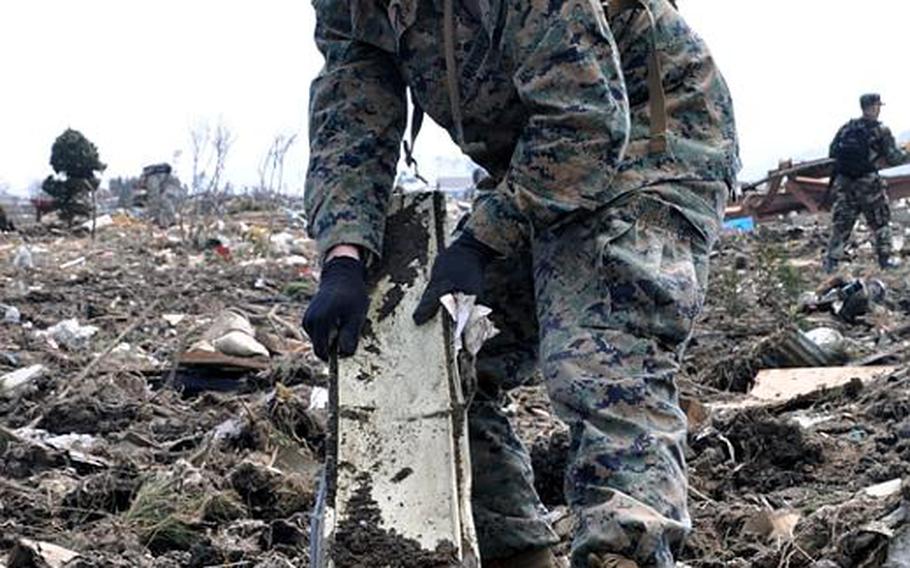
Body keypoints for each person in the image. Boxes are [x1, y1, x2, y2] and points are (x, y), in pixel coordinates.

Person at [302, 0, 739, 566]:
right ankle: (516, 553)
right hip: (535, 161)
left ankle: (625, 553)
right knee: (443, 357)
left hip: (652, 146)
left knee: (601, 361)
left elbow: (585, 120)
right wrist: (343, 257)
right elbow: (352, 112)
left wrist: (482, 241)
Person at [824, 93, 910, 273]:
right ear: (874, 107)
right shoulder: (880, 130)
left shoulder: (846, 128)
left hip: (845, 184)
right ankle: (885, 261)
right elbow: (894, 158)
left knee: (842, 225)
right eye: (878, 106)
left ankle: (831, 262)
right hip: (868, 184)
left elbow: (832, 153)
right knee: (881, 222)